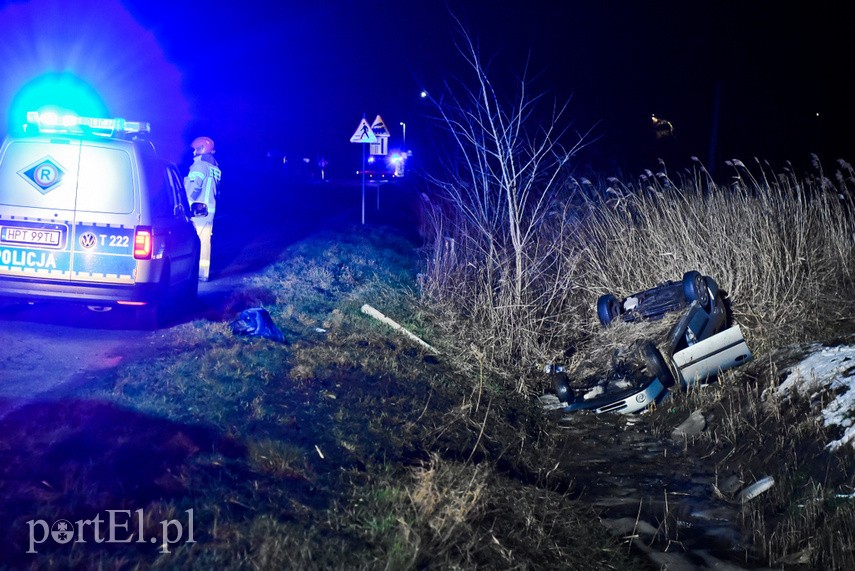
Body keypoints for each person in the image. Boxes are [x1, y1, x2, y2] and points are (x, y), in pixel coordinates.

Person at [184, 136, 222, 281]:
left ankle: (190, 275)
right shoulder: (215, 168)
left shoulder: (200, 166)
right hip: (209, 211)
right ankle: (202, 274)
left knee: (191, 242)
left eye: (195, 149)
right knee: (205, 243)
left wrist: (185, 205)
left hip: (196, 211)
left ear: (201, 149)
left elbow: (194, 187)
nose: (193, 152)